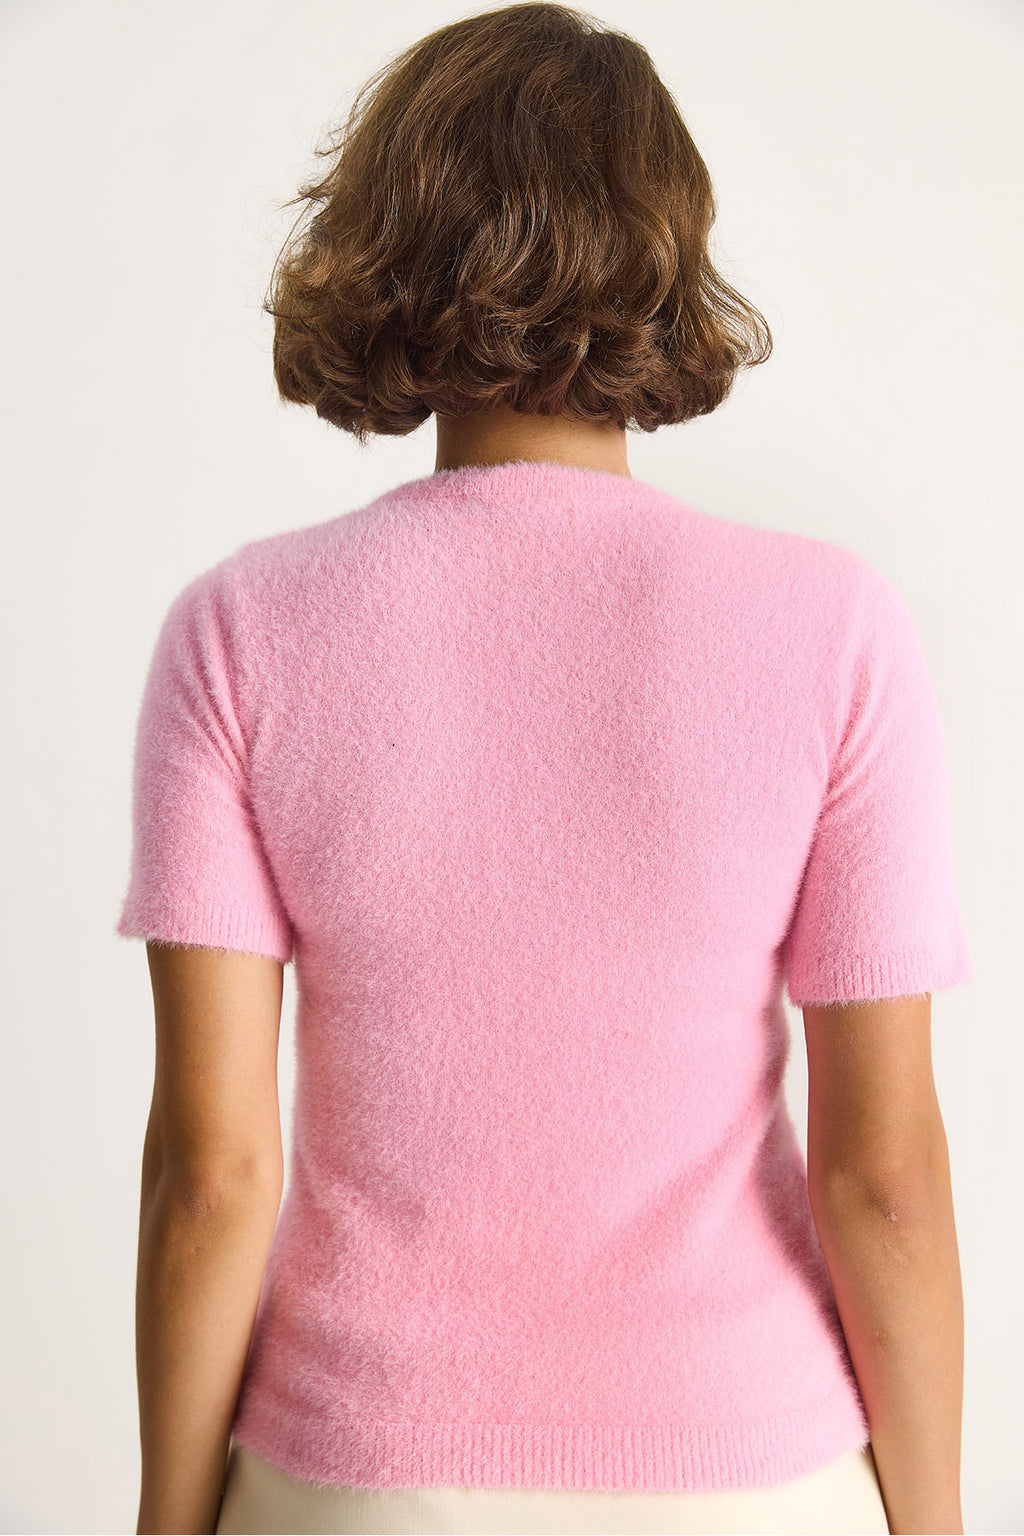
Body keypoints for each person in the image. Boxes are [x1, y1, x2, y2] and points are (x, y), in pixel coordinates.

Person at [117, 6, 972, 1534]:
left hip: (366, 1478)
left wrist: (172, 1520)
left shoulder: (239, 632)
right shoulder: (838, 627)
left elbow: (215, 1175)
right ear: (668, 249)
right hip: (752, 1472)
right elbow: (884, 1176)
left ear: (386, 239)